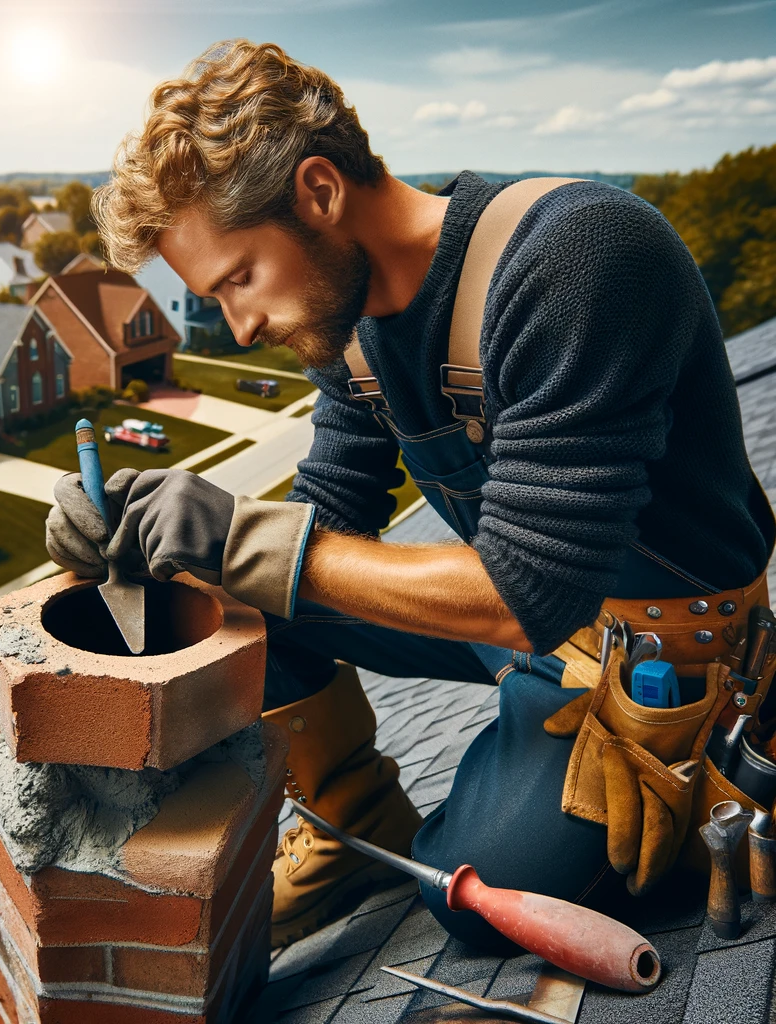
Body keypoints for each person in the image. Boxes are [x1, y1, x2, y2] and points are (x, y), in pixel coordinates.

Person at [45, 39, 775, 951]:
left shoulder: (580, 255)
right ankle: (351, 830)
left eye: (239, 279)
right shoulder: (349, 324)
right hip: (526, 628)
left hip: (657, 653)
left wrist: (240, 537)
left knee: (469, 893)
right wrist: (151, 528)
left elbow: (525, 592)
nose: (239, 325)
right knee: (211, 591)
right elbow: (331, 514)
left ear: (319, 191)